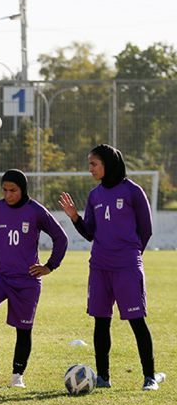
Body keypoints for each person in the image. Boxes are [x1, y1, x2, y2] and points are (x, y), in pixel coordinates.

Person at [59, 145, 166, 391]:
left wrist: (131, 255)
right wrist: (75, 217)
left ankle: (149, 377)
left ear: (108, 164)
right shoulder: (95, 196)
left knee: (137, 321)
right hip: (99, 266)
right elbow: (89, 233)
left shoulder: (133, 192)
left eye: (94, 164)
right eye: (89, 165)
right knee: (101, 321)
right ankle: (104, 378)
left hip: (126, 266)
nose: (90, 170)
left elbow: (146, 230)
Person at [0, 169, 68, 387]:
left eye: (13, 190)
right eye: (5, 190)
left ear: (23, 190)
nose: (8, 194)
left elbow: (61, 237)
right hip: (0, 275)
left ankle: (17, 377)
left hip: (27, 281)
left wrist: (50, 266)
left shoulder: (35, 211)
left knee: (23, 329)